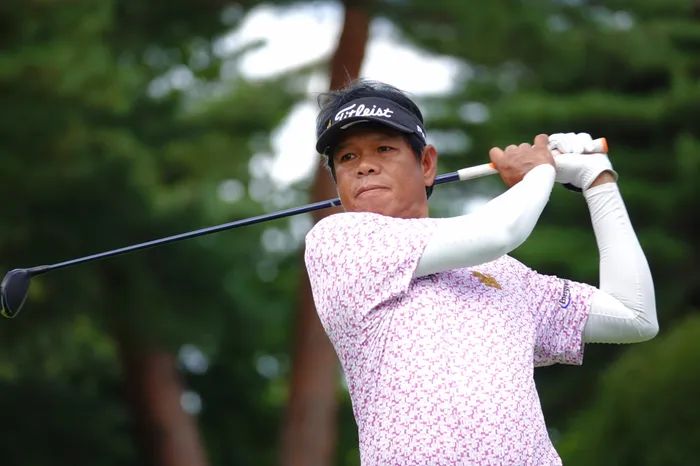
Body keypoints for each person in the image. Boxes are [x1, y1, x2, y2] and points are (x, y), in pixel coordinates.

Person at [303, 79, 657, 466]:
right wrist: (541, 171)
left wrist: (597, 180)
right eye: (347, 157)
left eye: (384, 149)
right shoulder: (337, 242)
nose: (365, 165)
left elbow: (634, 314)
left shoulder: (505, 274)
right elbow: (499, 232)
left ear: (426, 165)